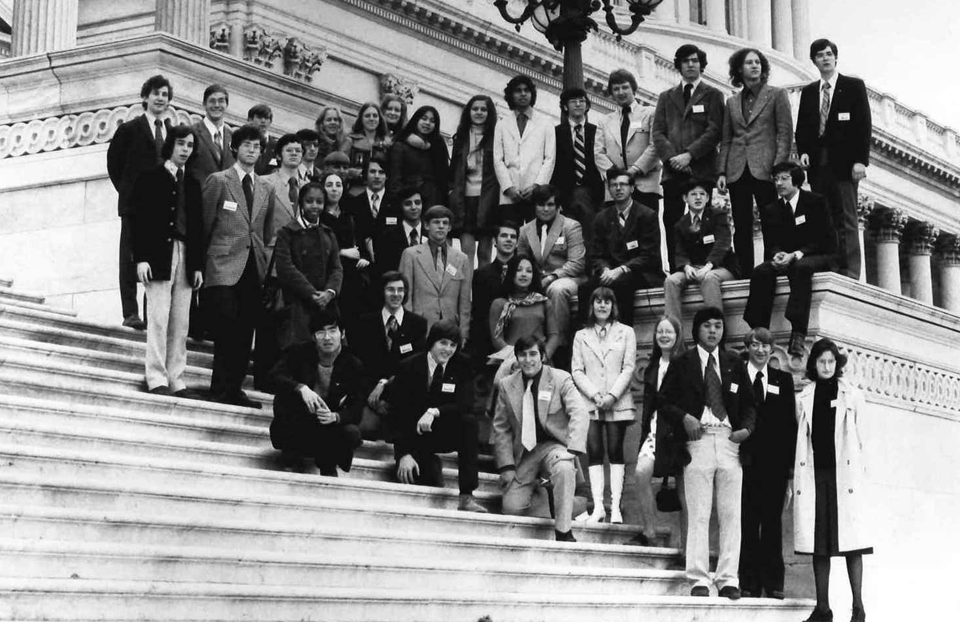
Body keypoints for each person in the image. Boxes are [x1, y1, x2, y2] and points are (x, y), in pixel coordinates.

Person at [659, 306, 756, 599]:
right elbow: (662, 401)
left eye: (718, 326)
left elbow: (750, 404)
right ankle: (699, 577)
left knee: (731, 514)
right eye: (707, 326)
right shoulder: (682, 362)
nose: (713, 331)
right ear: (696, 330)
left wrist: (746, 430)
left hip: (729, 442)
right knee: (699, 513)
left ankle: (728, 578)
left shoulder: (734, 362)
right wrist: (684, 417)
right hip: (698, 440)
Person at [793, 338, 872, 622]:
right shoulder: (804, 397)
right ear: (814, 364)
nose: (826, 366)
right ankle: (823, 608)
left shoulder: (852, 394)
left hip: (845, 477)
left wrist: (861, 473)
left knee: (852, 543)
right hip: (817, 476)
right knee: (819, 544)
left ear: (837, 364)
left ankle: (858, 608)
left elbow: (863, 436)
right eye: (821, 361)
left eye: (831, 361)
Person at [201, 124, 276, 409]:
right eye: (247, 145)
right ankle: (220, 387)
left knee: (246, 331)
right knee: (227, 327)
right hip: (222, 265)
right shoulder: (218, 181)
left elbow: (265, 232)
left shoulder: (266, 187)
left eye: (257, 147)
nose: (252, 151)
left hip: (252, 267)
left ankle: (234, 388)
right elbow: (205, 226)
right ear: (235, 148)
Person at [493, 336, 589, 542]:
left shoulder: (560, 378)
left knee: (564, 468)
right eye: (522, 355)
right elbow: (501, 428)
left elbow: (579, 412)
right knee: (511, 508)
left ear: (543, 356)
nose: (528, 360)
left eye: (533, 354)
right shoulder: (506, 385)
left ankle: (563, 532)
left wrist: (572, 450)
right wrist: (506, 467)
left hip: (554, 446)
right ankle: (547, 491)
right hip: (525, 454)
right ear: (517, 358)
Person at [132, 124, 204, 397]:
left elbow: (198, 229)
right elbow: (138, 222)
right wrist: (141, 259)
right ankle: (156, 376)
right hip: (158, 256)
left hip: (186, 255)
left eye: (189, 145)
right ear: (171, 145)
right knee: (159, 318)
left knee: (180, 321)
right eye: (181, 144)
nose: (185, 149)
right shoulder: (150, 177)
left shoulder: (194, 183)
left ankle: (176, 377)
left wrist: (197, 265)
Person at [388, 320, 487, 513]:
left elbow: (465, 404)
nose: (448, 349)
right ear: (432, 342)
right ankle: (429, 463)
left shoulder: (462, 365)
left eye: (453, 345)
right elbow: (396, 414)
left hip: (443, 430)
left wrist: (434, 411)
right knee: (424, 477)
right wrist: (403, 454)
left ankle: (466, 496)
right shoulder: (409, 366)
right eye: (443, 343)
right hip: (415, 434)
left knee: (469, 423)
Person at [743, 161, 837, 358]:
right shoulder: (771, 209)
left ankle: (798, 332)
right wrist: (777, 254)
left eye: (784, 178)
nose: (779, 183)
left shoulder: (816, 202)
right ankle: (759, 329)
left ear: (797, 181)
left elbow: (826, 239)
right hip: (785, 257)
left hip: (815, 255)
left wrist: (796, 254)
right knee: (761, 272)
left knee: (800, 269)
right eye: (776, 179)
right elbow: (771, 243)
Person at [796, 39, 872, 280]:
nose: (826, 58)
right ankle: (830, 264)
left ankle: (849, 270)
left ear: (835, 58)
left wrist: (861, 161)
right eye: (820, 55)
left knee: (846, 218)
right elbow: (803, 127)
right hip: (819, 164)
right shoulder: (809, 92)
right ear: (814, 61)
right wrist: (803, 152)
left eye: (829, 54)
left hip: (845, 163)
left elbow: (863, 125)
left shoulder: (853, 86)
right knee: (824, 217)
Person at [718, 48, 793, 277]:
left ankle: (771, 268)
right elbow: (727, 139)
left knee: (771, 221)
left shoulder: (777, 95)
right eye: (749, 62)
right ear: (739, 69)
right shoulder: (732, 102)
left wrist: (779, 168)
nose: (755, 66)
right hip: (737, 168)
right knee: (741, 225)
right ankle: (744, 273)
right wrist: (721, 171)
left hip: (766, 168)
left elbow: (784, 132)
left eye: (758, 62)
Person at [107, 74, 173, 329]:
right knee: (129, 257)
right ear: (145, 97)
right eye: (156, 93)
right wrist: (128, 192)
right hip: (135, 206)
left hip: (162, 207)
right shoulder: (130, 129)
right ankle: (130, 312)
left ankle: (151, 313)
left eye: (165, 95)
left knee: (156, 259)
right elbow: (115, 164)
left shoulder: (170, 131)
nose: (160, 98)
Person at [652, 44, 725, 270]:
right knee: (671, 221)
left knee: (704, 219)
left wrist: (689, 155)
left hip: (701, 169)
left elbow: (714, 131)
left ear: (701, 64)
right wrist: (673, 158)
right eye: (685, 61)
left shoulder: (713, 95)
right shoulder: (666, 97)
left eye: (694, 60)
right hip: (673, 171)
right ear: (679, 65)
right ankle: (677, 268)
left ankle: (703, 264)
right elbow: (658, 132)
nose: (691, 64)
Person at [269, 310, 367, 476]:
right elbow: (274, 376)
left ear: (342, 334)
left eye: (332, 330)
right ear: (314, 336)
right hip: (299, 421)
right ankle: (293, 457)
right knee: (285, 401)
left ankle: (328, 465)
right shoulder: (299, 353)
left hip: (328, 427)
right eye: (321, 332)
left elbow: (357, 409)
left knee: (352, 433)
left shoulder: (353, 365)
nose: (327, 337)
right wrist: (301, 388)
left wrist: (336, 416)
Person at [739, 328, 797, 600]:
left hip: (774, 464)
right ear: (748, 347)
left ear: (772, 350)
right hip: (745, 461)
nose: (760, 350)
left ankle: (773, 582)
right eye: (755, 345)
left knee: (772, 523)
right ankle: (748, 581)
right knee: (748, 521)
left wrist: (789, 469)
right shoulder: (736, 377)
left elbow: (789, 426)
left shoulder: (782, 380)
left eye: (766, 346)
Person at [570, 287, 636, 524]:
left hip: (617, 401)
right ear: (591, 305)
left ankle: (615, 507)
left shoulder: (626, 332)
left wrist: (612, 396)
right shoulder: (581, 335)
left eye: (607, 301)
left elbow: (628, 367)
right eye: (598, 301)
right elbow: (576, 370)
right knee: (595, 452)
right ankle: (598, 507)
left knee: (616, 450)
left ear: (613, 305)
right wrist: (595, 394)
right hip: (590, 402)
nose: (602, 305)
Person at [627, 315, 687, 547]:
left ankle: (685, 547)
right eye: (660, 331)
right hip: (654, 430)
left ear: (677, 335)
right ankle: (649, 531)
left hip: (679, 432)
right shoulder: (652, 366)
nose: (664, 335)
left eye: (668, 331)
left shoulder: (685, 363)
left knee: (685, 492)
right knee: (641, 473)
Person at [580, 167, 663, 326]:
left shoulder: (647, 215)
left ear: (632, 188)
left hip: (641, 273)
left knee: (621, 284)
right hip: (610, 272)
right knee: (585, 288)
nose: (618, 188)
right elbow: (596, 254)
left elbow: (649, 255)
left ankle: (624, 334)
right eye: (613, 185)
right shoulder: (601, 218)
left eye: (623, 184)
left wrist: (621, 270)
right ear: (609, 189)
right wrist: (605, 270)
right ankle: (587, 334)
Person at [351, 271, 428, 440]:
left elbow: (415, 368)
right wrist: (374, 398)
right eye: (390, 289)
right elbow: (358, 366)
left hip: (401, 398)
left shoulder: (417, 325)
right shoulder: (365, 323)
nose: (396, 294)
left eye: (401, 290)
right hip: (370, 397)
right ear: (382, 291)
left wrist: (386, 383)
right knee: (366, 429)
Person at [274, 182, 343, 351]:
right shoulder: (287, 233)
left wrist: (329, 293)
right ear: (301, 203)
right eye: (309, 201)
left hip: (326, 306)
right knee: (297, 352)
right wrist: (312, 294)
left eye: (319, 202)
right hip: (297, 305)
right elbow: (286, 268)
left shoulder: (328, 233)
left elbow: (336, 268)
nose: (314, 206)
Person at [516, 184, 586, 346]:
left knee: (557, 289)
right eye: (541, 205)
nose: (545, 209)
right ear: (534, 206)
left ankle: (558, 344)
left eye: (550, 205)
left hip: (569, 278)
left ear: (558, 206)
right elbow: (521, 262)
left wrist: (552, 277)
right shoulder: (525, 231)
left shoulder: (571, 226)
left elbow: (577, 263)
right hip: (538, 280)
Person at [663, 179, 739, 321]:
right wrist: (686, 267)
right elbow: (679, 251)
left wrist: (709, 266)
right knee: (671, 281)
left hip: (720, 267)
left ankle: (716, 330)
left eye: (702, 194)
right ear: (685, 198)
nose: (698, 198)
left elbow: (723, 243)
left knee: (709, 278)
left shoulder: (718, 215)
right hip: (694, 267)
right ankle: (674, 333)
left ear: (707, 197)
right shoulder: (681, 223)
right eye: (693, 194)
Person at [594, 69, 661, 212]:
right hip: (615, 191)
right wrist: (616, 176)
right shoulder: (604, 121)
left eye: (625, 87)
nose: (621, 92)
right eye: (616, 89)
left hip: (645, 186)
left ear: (633, 89)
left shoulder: (650, 113)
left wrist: (634, 170)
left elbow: (655, 146)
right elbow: (598, 152)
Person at [399, 205, 472, 337]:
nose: (441, 226)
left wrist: (463, 334)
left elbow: (465, 303)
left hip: (450, 328)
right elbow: (405, 297)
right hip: (420, 327)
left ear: (450, 228)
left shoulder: (461, 258)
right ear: (426, 226)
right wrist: (408, 329)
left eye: (445, 223)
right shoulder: (411, 255)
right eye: (436, 222)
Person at [493, 74, 556, 224]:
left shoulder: (545, 123)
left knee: (533, 239)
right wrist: (508, 187)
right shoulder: (502, 124)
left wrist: (537, 186)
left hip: (535, 193)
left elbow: (550, 158)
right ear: (511, 95)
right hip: (510, 193)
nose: (522, 94)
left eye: (526, 90)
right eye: (518, 90)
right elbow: (498, 159)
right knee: (509, 238)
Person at [449, 94, 500, 266]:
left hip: (488, 198)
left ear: (489, 113)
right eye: (475, 109)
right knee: (467, 252)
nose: (479, 112)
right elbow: (455, 169)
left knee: (485, 253)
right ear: (469, 112)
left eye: (483, 109)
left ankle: (482, 292)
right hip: (465, 199)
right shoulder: (461, 137)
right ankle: (466, 293)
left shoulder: (496, 137)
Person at [319, 171, 369, 337]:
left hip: (350, 276)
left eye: (338, 185)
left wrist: (363, 258)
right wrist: (342, 252)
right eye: (329, 185)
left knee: (352, 323)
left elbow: (360, 244)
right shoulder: (318, 216)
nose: (334, 189)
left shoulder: (349, 215)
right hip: (327, 277)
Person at [488, 255, 560, 371]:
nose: (523, 274)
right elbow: (497, 338)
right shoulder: (500, 304)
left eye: (529, 271)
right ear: (511, 273)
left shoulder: (544, 302)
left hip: (540, 363)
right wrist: (516, 359)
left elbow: (554, 336)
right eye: (518, 270)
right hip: (510, 363)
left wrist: (543, 357)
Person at [552, 87, 604, 244]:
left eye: (582, 101)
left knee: (591, 237)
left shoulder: (597, 131)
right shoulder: (555, 133)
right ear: (565, 106)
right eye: (573, 101)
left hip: (593, 194)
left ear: (587, 106)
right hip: (565, 194)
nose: (578, 104)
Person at [468, 222, 518, 366]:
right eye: (504, 236)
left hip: (518, 340)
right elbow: (479, 315)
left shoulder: (525, 274)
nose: (509, 239)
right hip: (487, 345)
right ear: (495, 242)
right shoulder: (480, 275)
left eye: (513, 237)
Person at [387, 105, 449, 207]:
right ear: (416, 119)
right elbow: (395, 178)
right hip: (409, 199)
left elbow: (444, 176)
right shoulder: (400, 145)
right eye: (424, 119)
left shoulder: (438, 146)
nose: (427, 123)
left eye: (432, 121)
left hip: (434, 200)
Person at [187, 84, 235, 188]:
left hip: (226, 202)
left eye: (221, 101)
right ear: (204, 104)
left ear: (227, 105)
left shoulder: (233, 138)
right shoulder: (192, 133)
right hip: (199, 199)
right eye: (212, 101)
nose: (217, 105)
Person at [262, 133, 304, 237]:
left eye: (298, 151)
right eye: (289, 150)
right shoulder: (263, 182)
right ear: (278, 156)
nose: (294, 153)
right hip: (271, 248)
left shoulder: (308, 187)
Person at [347, 101, 392, 183]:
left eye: (375, 116)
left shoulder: (387, 144)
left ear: (380, 119)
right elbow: (342, 167)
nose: (371, 119)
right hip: (355, 189)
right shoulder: (350, 140)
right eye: (367, 116)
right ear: (361, 119)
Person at [249, 104, 279, 175]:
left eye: (266, 118)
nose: (263, 121)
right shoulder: (243, 141)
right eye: (259, 117)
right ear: (250, 120)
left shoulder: (277, 146)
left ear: (270, 121)